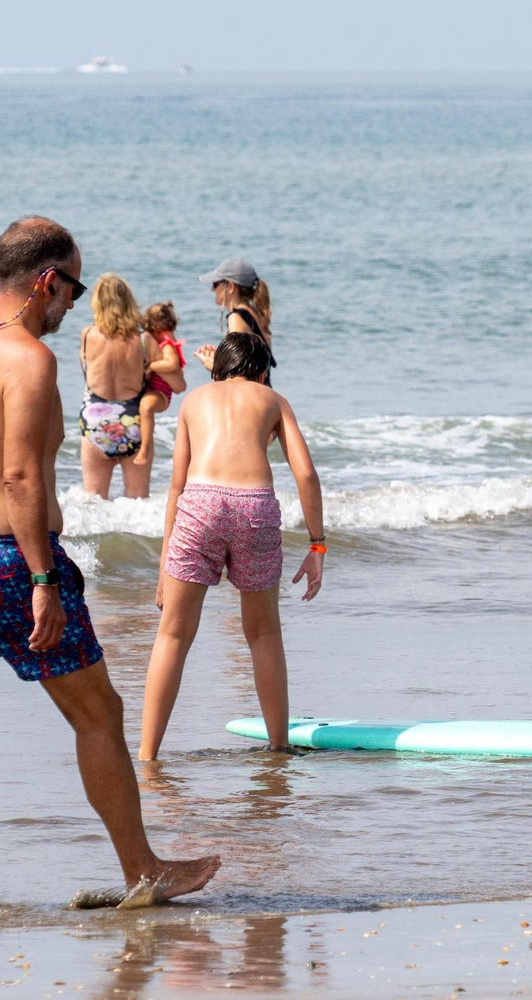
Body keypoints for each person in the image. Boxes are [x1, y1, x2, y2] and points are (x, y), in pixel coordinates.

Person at [0, 217, 219, 915]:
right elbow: (21, 478)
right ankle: (145, 870)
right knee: (100, 714)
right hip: (12, 563)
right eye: (72, 289)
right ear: (46, 281)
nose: (73, 306)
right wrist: (45, 581)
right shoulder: (28, 360)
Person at [139, 332, 325, 761]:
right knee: (263, 633)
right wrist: (317, 546)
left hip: (199, 503)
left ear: (218, 369)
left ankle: (147, 756)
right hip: (254, 506)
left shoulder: (192, 402)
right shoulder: (272, 400)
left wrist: (165, 563)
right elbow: (308, 476)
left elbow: (176, 486)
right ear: (262, 372)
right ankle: (279, 746)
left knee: (173, 634)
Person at [77, 273, 169, 499]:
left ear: (97, 303)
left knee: (94, 503)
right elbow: (168, 375)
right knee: (138, 502)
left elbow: (85, 372)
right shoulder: (144, 339)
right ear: (128, 301)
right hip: (133, 422)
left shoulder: (88, 334)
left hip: (95, 422)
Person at [193, 258, 276, 385]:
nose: (212, 290)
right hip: (263, 390)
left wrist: (212, 365)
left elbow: (237, 374)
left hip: (250, 395)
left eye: (215, 284)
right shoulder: (254, 313)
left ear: (230, 287)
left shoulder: (237, 317)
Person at [137, 300, 187, 470]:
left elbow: (172, 365)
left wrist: (150, 366)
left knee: (146, 407)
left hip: (161, 392)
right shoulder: (164, 344)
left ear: (157, 330)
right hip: (154, 389)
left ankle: (144, 449)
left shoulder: (166, 346)